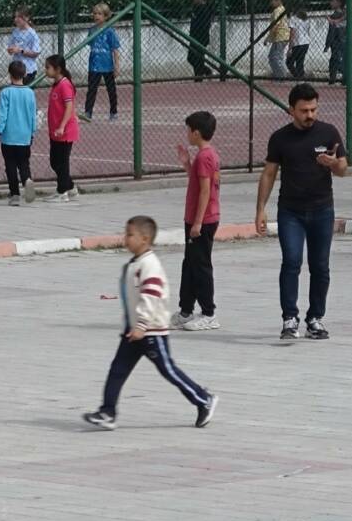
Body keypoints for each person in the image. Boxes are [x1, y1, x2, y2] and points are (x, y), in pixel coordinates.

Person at [83, 216, 219, 431]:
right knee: (117, 370)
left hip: (151, 332)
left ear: (145, 239)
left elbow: (151, 296)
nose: (125, 238)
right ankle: (108, 412)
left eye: (130, 235)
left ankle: (203, 399)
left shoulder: (149, 265)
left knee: (169, 370)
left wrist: (142, 324)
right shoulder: (136, 263)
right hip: (134, 331)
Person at [254, 83, 346, 340]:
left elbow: (344, 168)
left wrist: (333, 164)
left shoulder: (329, 133)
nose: (310, 115)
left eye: (314, 109)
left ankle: (315, 318)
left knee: (320, 266)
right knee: (291, 262)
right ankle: (289, 318)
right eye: (304, 110)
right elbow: (269, 173)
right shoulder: (280, 138)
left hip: (322, 209)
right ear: (291, 110)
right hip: (290, 212)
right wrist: (261, 209)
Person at [172, 111, 222, 331]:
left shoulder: (205, 157)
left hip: (201, 220)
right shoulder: (207, 156)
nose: (187, 134)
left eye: (189, 130)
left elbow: (205, 192)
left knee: (200, 266)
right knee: (190, 264)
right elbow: (199, 181)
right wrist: (186, 164)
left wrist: (198, 223)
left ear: (196, 132)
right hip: (196, 218)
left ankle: (209, 313)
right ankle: (185, 310)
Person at [0, 60, 38, 206]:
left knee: (10, 165)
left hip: (9, 136)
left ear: (9, 74)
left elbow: (2, 114)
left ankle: (14, 195)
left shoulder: (6, 92)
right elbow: (33, 115)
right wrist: (32, 131)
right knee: (24, 163)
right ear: (25, 74)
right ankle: (27, 179)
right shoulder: (30, 93)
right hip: (24, 135)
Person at [43, 54, 79, 202]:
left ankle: (62, 191)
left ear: (58, 69)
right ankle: (70, 187)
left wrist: (62, 126)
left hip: (65, 131)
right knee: (54, 161)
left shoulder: (65, 85)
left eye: (48, 67)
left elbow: (69, 106)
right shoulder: (56, 84)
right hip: (55, 131)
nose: (45, 70)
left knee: (62, 162)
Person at [81, 2, 120, 121]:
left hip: (107, 66)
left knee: (111, 89)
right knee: (91, 89)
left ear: (106, 16)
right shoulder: (92, 30)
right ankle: (88, 112)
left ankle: (113, 112)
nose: (96, 16)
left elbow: (115, 50)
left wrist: (116, 66)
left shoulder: (110, 31)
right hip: (94, 65)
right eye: (95, 14)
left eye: (100, 14)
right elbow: (89, 43)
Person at [6, 7, 42, 83]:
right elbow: (9, 49)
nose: (15, 19)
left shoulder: (32, 34)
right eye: (15, 17)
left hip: (28, 70)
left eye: (19, 17)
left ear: (26, 18)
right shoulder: (15, 31)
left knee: (24, 92)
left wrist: (21, 51)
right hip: (16, 69)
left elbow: (36, 53)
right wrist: (11, 50)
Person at [187, 0, 215, 80]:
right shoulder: (196, 8)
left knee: (197, 59)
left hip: (200, 38)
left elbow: (205, 25)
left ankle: (199, 77)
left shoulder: (204, 9)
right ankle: (205, 72)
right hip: (194, 36)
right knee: (191, 58)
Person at [264, 0, 289, 80]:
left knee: (275, 57)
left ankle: (281, 76)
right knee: (275, 56)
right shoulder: (283, 9)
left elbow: (276, 24)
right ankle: (279, 75)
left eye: (272, 1)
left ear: (278, 0)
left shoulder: (277, 10)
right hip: (283, 36)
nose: (271, 3)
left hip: (280, 36)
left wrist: (268, 38)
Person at [324, 0, 345, 85]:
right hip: (340, 40)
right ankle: (334, 78)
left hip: (337, 41)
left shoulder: (335, 16)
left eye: (333, 1)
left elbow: (332, 31)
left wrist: (328, 43)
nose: (331, 3)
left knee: (335, 60)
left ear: (338, 3)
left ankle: (334, 78)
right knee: (335, 60)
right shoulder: (342, 14)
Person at [286, 9, 309, 80]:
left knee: (289, 62)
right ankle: (300, 77)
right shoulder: (305, 19)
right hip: (305, 42)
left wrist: (289, 48)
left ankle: (297, 77)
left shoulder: (293, 19)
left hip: (297, 43)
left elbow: (292, 33)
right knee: (300, 62)